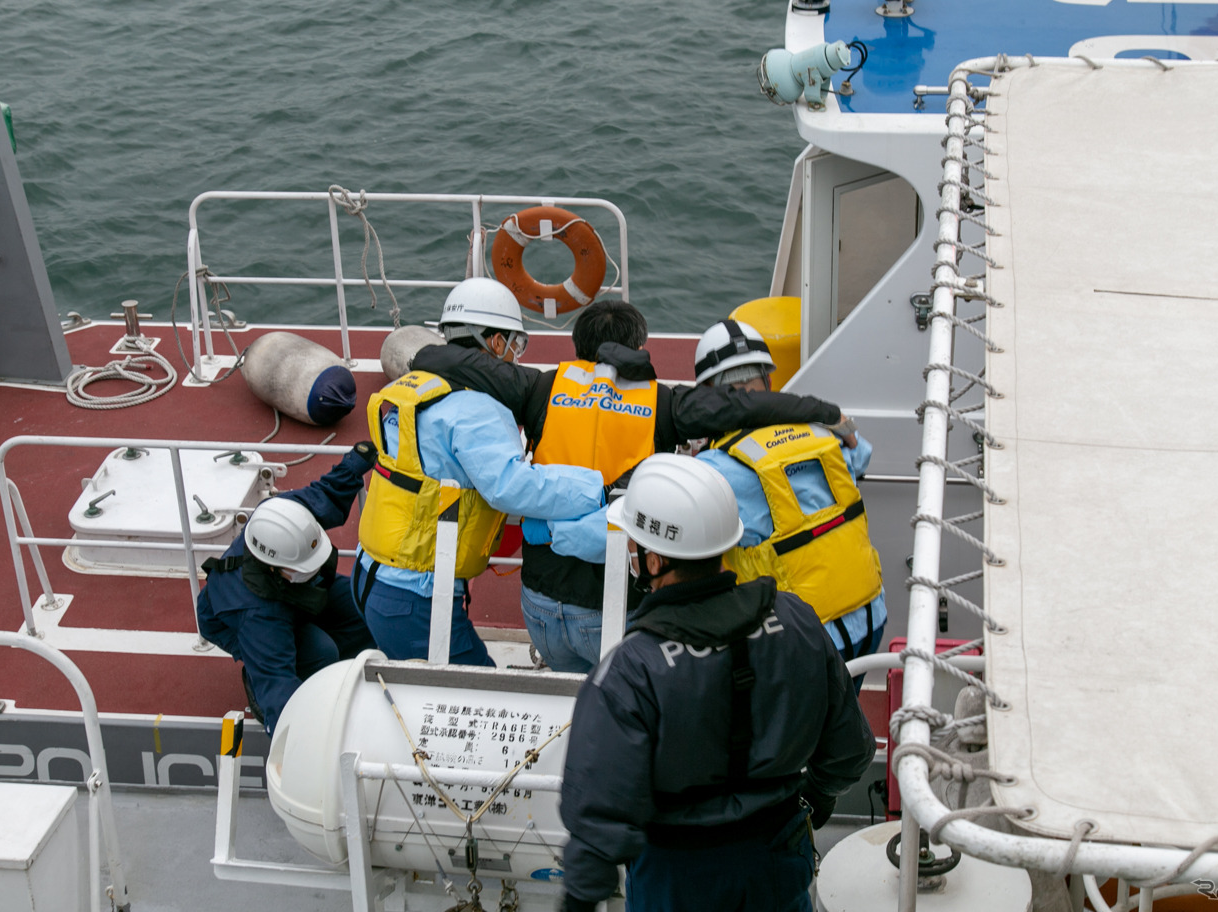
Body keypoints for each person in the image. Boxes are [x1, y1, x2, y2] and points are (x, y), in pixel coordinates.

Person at [412, 298, 857, 674]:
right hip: (614, 612)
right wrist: (825, 410)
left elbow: (439, 357)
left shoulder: (541, 387)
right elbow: (741, 406)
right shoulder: (666, 404)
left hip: (540, 608)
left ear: (579, 348)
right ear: (640, 348)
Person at [559, 454, 875, 912]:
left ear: (654, 558)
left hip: (677, 876)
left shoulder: (631, 671)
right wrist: (817, 794)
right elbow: (849, 751)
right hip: (777, 854)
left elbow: (599, 820)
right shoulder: (796, 619)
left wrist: (578, 900)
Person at [353, 277, 606, 666]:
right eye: (514, 343)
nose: (515, 355)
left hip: (370, 574)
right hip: (415, 595)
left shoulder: (417, 387)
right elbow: (511, 488)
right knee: (475, 697)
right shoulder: (477, 409)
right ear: (494, 342)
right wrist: (597, 487)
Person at [692, 319, 888, 672]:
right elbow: (862, 454)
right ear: (768, 381)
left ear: (707, 395)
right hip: (871, 614)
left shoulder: (717, 467)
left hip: (805, 639)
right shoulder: (819, 431)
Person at [196, 441, 379, 736]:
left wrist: (355, 463)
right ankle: (257, 679)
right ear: (274, 566)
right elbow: (278, 688)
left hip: (288, 593)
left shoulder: (284, 516)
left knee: (366, 603)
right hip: (249, 614)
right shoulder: (258, 616)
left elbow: (325, 493)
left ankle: (336, 672)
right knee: (321, 652)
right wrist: (298, 743)